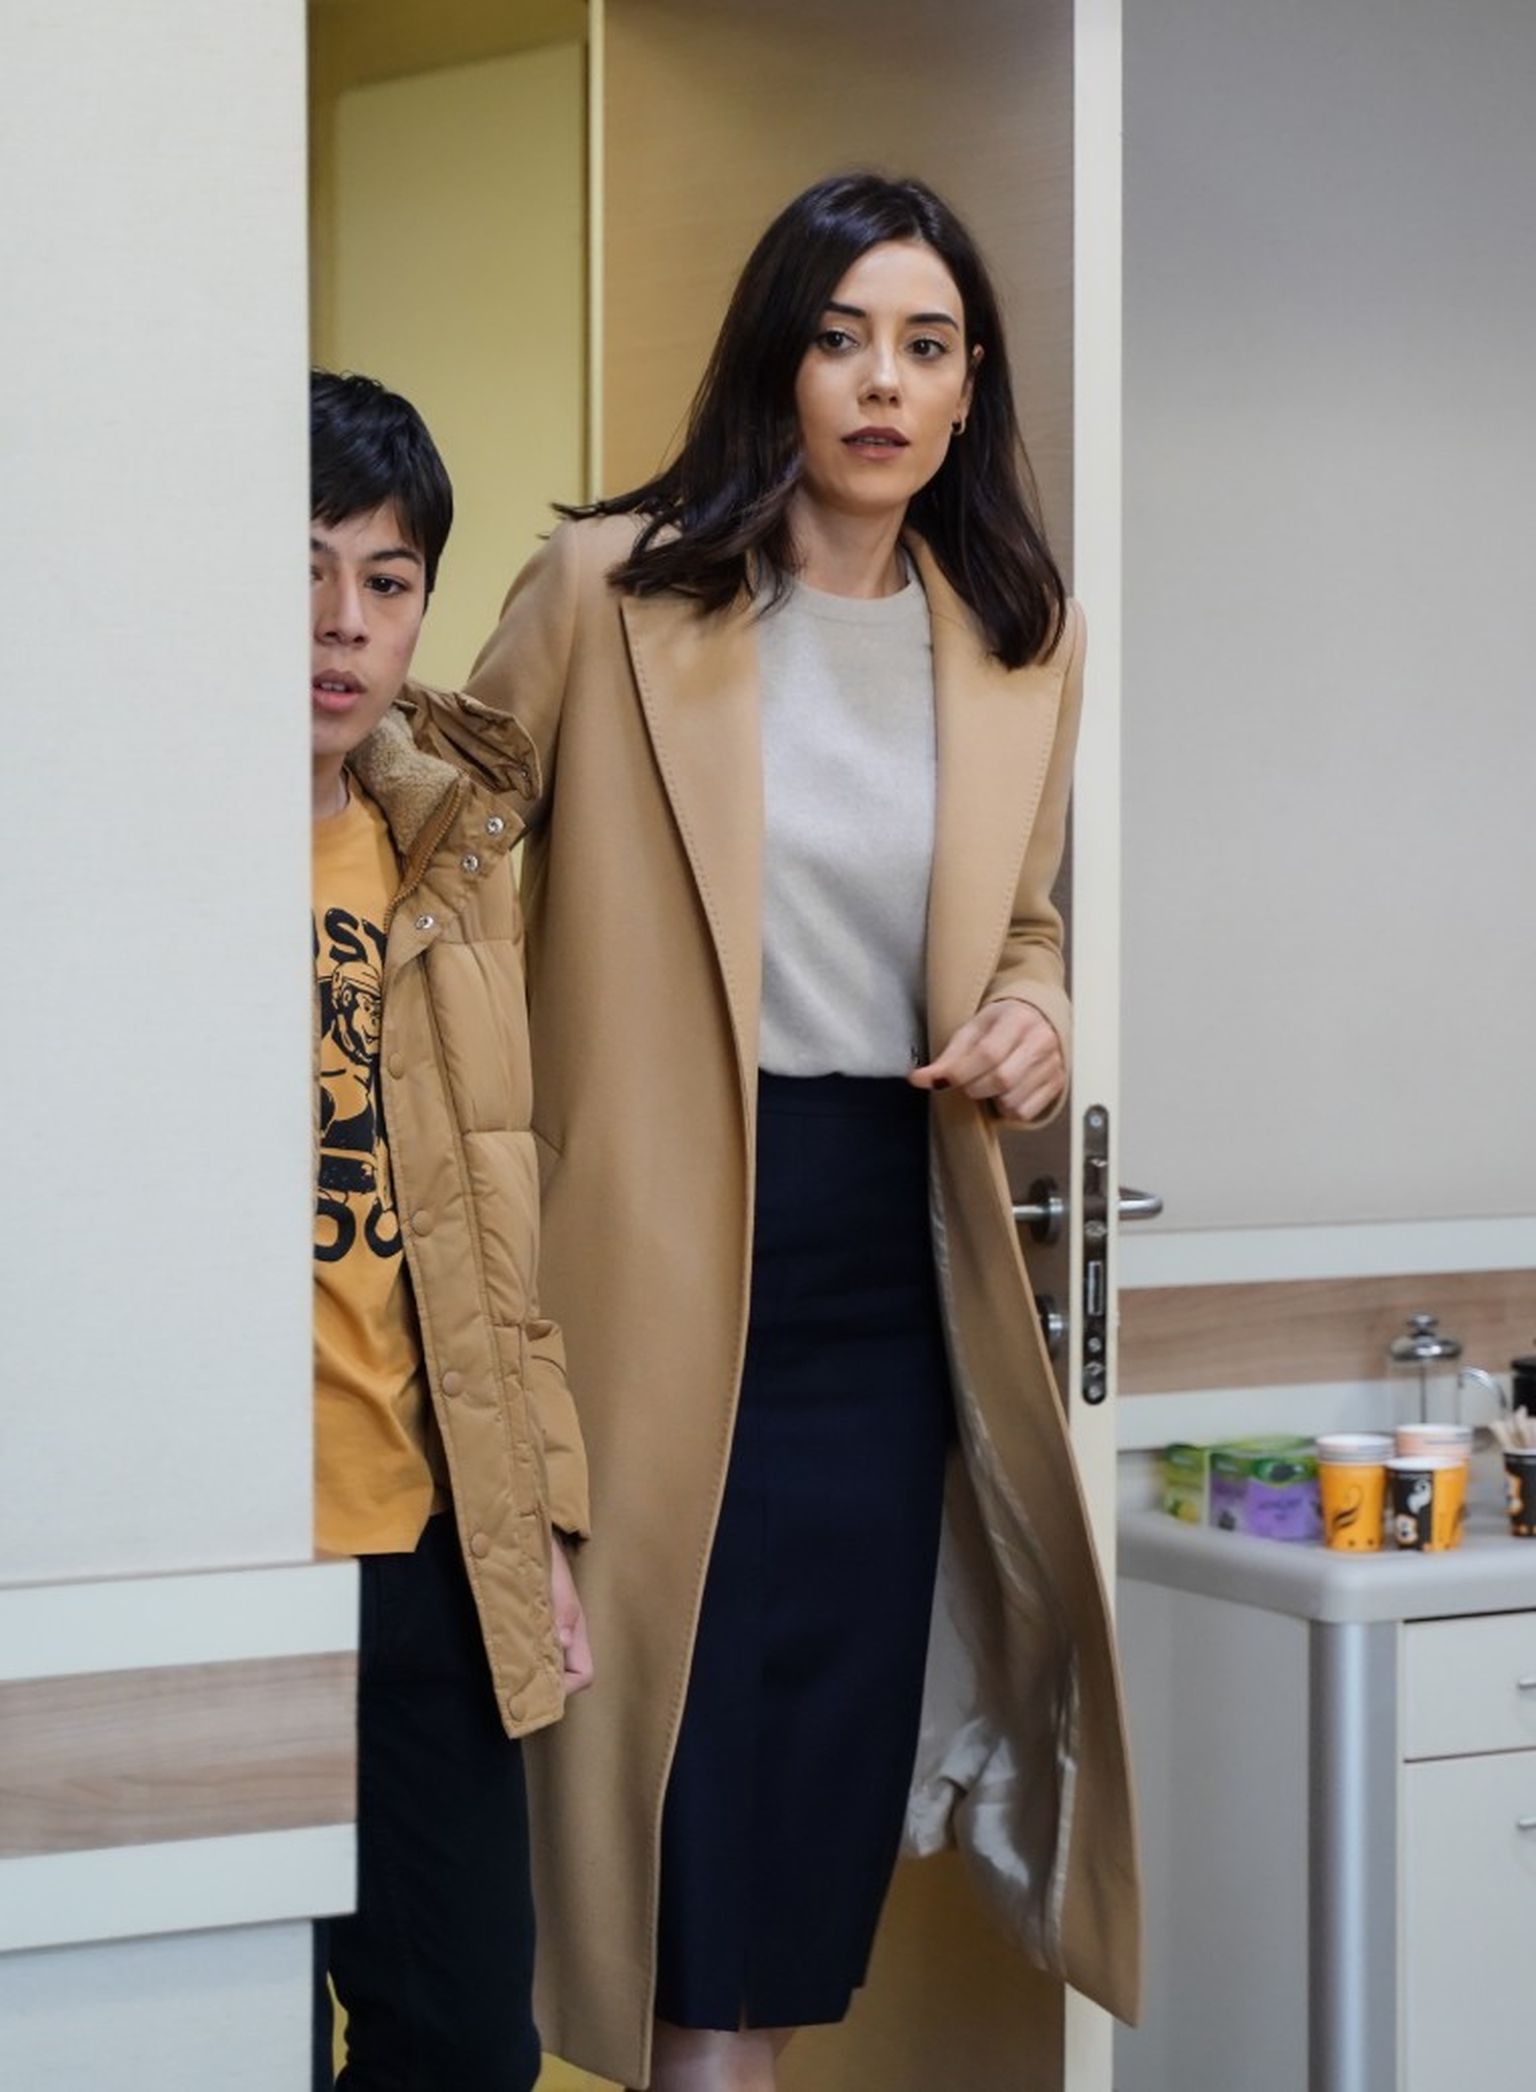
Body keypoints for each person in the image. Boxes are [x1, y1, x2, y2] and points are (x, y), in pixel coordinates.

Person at [467, 173, 1140, 2092]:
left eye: (925, 347)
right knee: (678, 1808)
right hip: (654, 1253)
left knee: (795, 1843)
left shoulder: (1017, 639)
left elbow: (1020, 920)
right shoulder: (610, 590)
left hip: (885, 1273)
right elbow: (444, 869)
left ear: (970, 386)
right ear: (780, 358)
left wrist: (1038, 1014)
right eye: (842, 339)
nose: (881, 383)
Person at [308, 369, 593, 2091]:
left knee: (468, 2042)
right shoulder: (106, 847)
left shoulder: (450, 853)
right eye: (298, 569)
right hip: (222, 1549)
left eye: (388, 579)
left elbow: (498, 1215)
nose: (343, 621)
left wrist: (530, 1519)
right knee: (220, 2026)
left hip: (422, 1546)